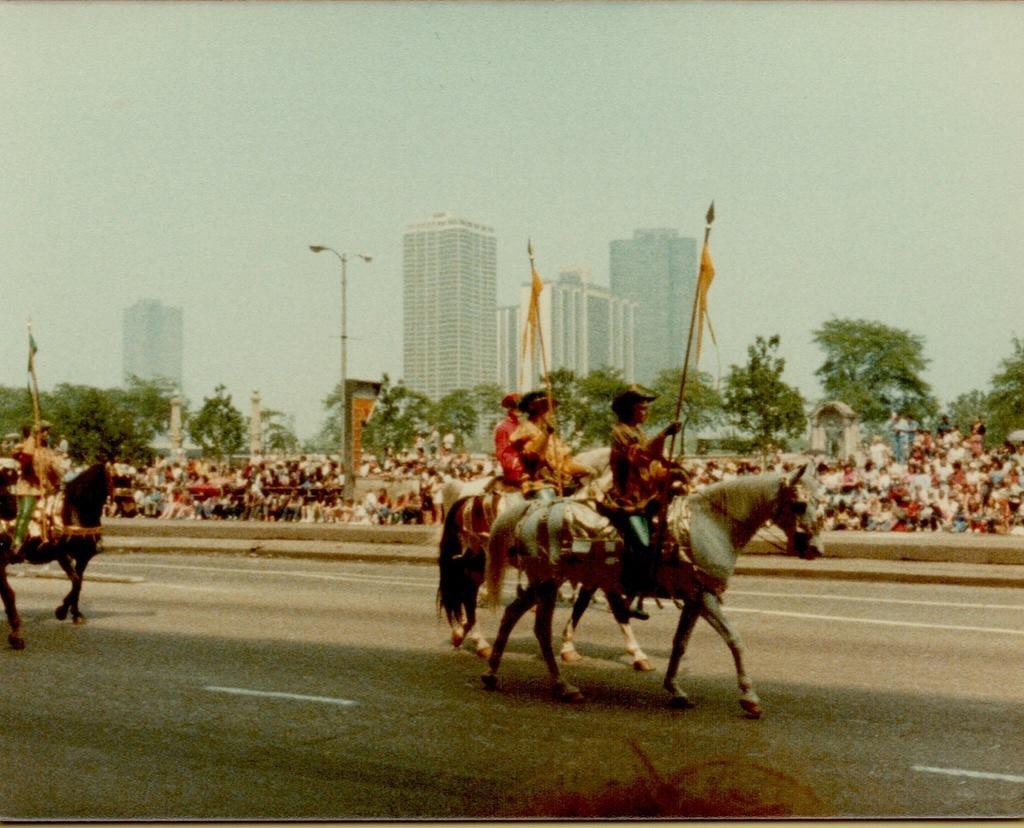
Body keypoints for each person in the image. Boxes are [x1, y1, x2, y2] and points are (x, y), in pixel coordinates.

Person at [603, 385, 685, 611]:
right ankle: (626, 589)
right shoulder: (619, 432)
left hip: (648, 499)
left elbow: (653, 465)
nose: (646, 412)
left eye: (647, 408)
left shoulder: (640, 433)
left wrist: (672, 472)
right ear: (629, 410)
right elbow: (638, 458)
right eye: (641, 408)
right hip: (628, 501)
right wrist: (663, 435)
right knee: (642, 544)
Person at [510, 390, 593, 500]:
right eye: (548, 410)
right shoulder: (525, 430)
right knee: (550, 509)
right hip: (539, 485)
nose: (552, 414)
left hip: (562, 485)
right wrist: (546, 433)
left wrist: (588, 469)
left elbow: (566, 466)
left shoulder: (554, 438)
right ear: (537, 411)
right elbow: (532, 456)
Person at [11, 421, 63, 561]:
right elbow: (24, 460)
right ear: (36, 433)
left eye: (47, 431)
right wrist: (32, 440)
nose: (46, 434)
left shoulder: (48, 451)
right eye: (43, 431)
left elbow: (56, 469)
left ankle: (52, 541)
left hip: (47, 490)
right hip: (29, 488)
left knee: (54, 513)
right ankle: (17, 542)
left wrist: (62, 479)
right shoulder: (27, 446)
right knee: (26, 513)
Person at [493, 392, 524, 486]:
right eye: (515, 406)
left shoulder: (522, 426)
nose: (518, 409)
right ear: (509, 408)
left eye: (520, 406)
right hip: (513, 471)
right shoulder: (503, 427)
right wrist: (516, 464)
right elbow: (502, 452)